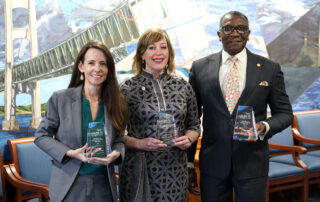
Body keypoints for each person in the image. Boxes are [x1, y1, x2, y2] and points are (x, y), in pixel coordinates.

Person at [188, 11, 293, 202]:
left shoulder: (270, 68)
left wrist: (264, 127)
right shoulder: (200, 67)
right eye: (228, 28)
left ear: (248, 33)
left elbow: (284, 113)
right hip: (213, 164)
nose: (235, 33)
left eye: (241, 28)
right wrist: (188, 162)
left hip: (252, 163)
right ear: (219, 34)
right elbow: (191, 117)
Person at [34, 40, 128, 202]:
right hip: (69, 185)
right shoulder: (60, 98)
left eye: (103, 64)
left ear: (108, 69)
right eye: (91, 63)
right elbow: (41, 136)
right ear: (81, 67)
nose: (97, 69)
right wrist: (71, 153)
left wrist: (116, 154)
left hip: (104, 185)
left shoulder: (116, 102)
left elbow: (119, 140)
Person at [119, 28, 200, 202]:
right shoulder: (127, 88)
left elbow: (194, 125)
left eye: (163, 47)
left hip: (175, 170)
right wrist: (139, 143)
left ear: (169, 52)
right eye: (151, 48)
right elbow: (114, 133)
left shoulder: (183, 86)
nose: (158, 53)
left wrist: (189, 139)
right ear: (141, 54)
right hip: (140, 168)